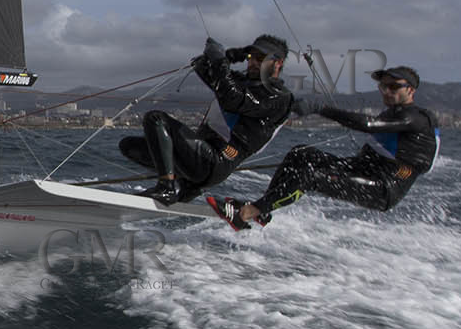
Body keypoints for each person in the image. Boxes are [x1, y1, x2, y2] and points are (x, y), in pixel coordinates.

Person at [208, 66, 439, 231]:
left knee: (308, 176)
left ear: (411, 90)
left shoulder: (416, 118)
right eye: (383, 86)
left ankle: (246, 214)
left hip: (382, 188)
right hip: (362, 169)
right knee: (301, 153)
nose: (386, 91)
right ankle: (264, 209)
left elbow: (368, 125)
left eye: (393, 87)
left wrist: (321, 108)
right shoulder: (395, 113)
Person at [119, 33, 294, 205]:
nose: (254, 62)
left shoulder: (278, 97)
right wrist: (232, 55)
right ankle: (183, 186)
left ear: (278, 63)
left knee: (156, 119)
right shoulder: (240, 82)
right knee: (130, 146)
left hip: (217, 160)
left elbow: (231, 99)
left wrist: (220, 60)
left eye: (261, 58)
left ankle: (167, 187)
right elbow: (201, 66)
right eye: (251, 56)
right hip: (200, 154)